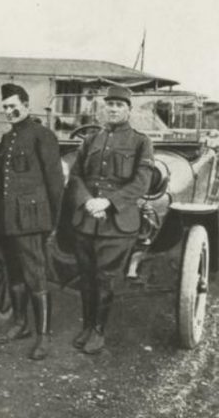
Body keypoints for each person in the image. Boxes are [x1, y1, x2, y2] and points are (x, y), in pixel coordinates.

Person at [67, 86, 153, 354]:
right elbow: (76, 175)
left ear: (129, 110)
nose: (114, 109)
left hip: (118, 223)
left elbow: (142, 181)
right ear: (104, 108)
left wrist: (108, 202)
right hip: (87, 220)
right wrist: (88, 201)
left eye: (119, 105)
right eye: (110, 104)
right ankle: (87, 325)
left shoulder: (141, 141)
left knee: (105, 279)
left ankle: (98, 331)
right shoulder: (90, 140)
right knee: (87, 277)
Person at [0, 83, 64, 361]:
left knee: (35, 275)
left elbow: (55, 182)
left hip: (32, 220)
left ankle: (43, 335)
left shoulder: (42, 136)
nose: (9, 111)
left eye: (13, 106)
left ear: (26, 105)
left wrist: (52, 222)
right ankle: (21, 324)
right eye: (5, 107)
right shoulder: (8, 139)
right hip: (8, 220)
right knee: (14, 274)